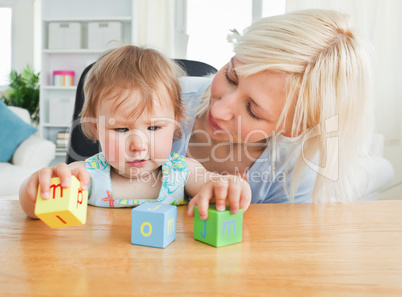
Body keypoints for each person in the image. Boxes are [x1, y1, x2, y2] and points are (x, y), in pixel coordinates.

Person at [19, 45, 251, 220]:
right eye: (121, 129)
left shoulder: (183, 172)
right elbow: (33, 209)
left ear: (175, 123)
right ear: (94, 128)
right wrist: (37, 187)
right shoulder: (83, 176)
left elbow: (215, 186)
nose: (138, 145)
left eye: (153, 128)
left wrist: (231, 187)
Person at [173, 9, 373, 205]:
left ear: (295, 128)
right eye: (231, 77)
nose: (217, 111)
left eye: (252, 111)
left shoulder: (293, 172)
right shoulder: (167, 99)